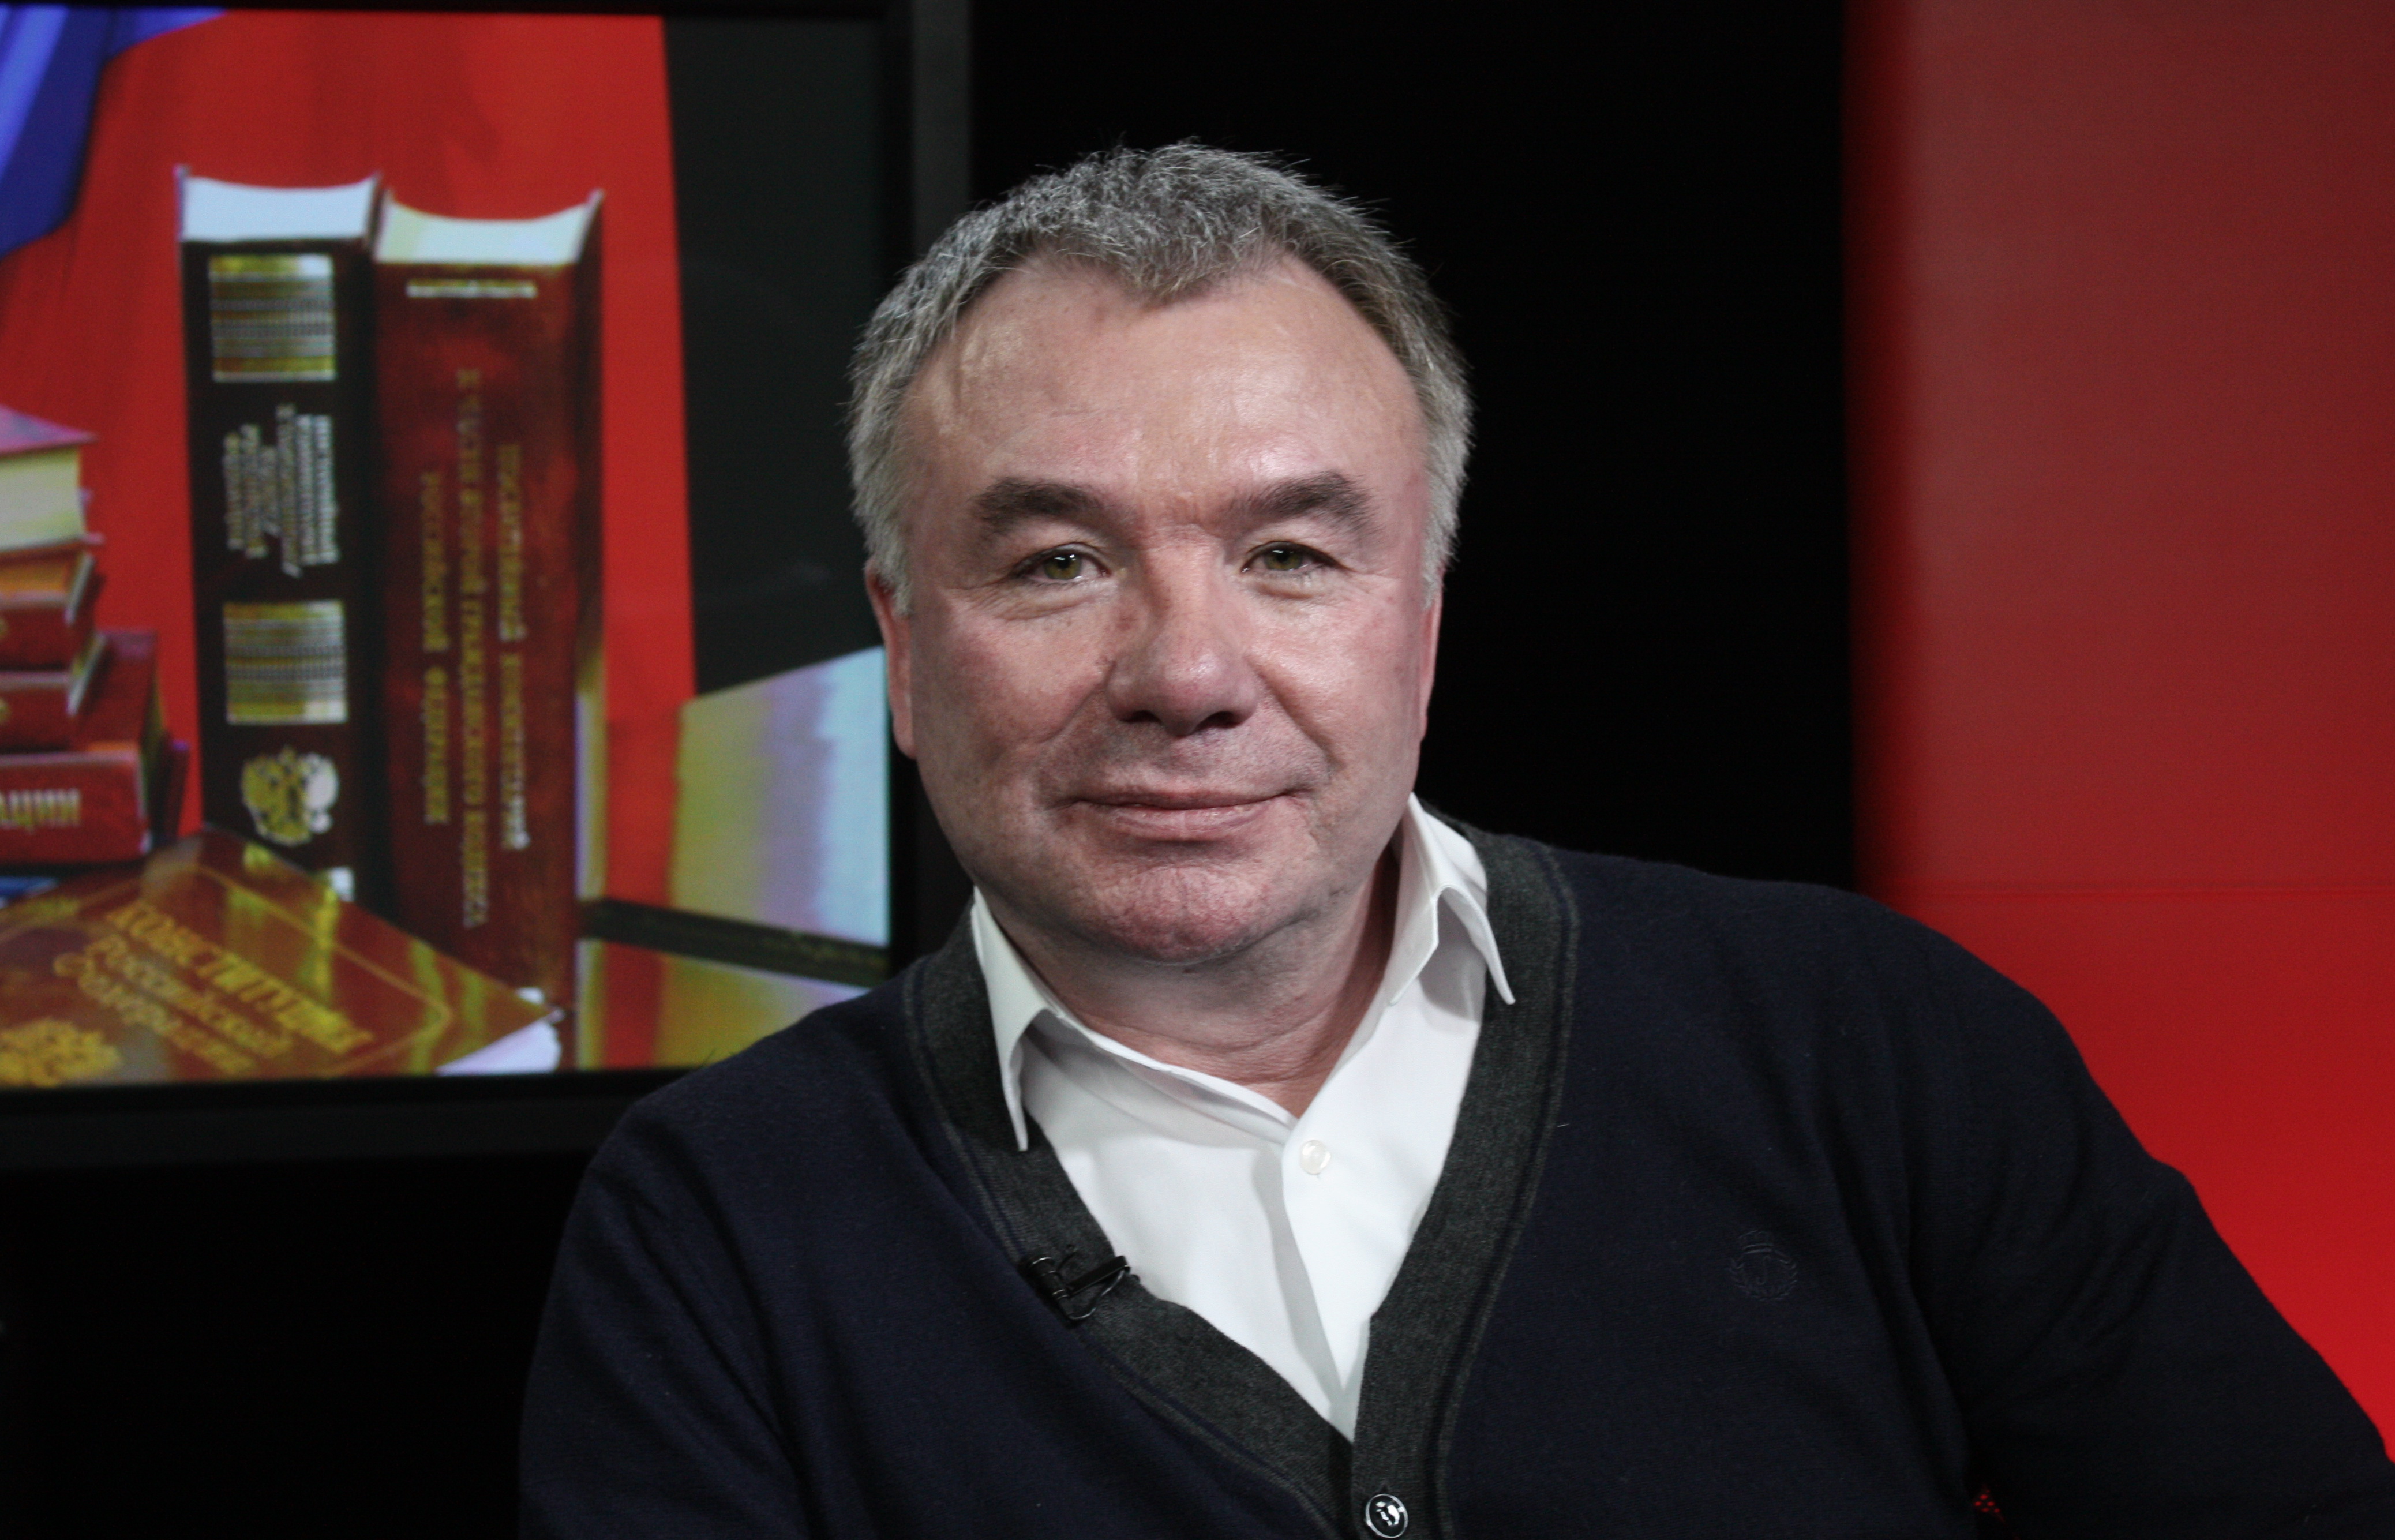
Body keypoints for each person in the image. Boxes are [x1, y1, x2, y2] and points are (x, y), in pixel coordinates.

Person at [521, 145, 2395, 1538]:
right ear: (904, 648)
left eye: (1291, 556)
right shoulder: (716, 1229)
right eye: (1059, 563)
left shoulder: (1868, 1044)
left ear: (1421, 618)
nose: (1187, 676)